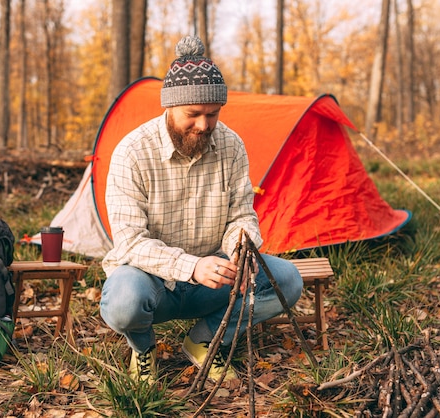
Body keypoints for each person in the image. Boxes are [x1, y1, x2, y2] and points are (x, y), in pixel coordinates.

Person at [99, 36, 303, 384]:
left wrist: (242, 246)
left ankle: (203, 339)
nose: (204, 125)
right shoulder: (131, 152)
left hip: (216, 276)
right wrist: (191, 267)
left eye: (213, 114)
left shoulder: (231, 144)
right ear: (169, 108)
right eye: (192, 115)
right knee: (122, 302)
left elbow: (242, 214)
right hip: (152, 282)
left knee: (286, 281)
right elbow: (130, 242)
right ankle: (143, 349)